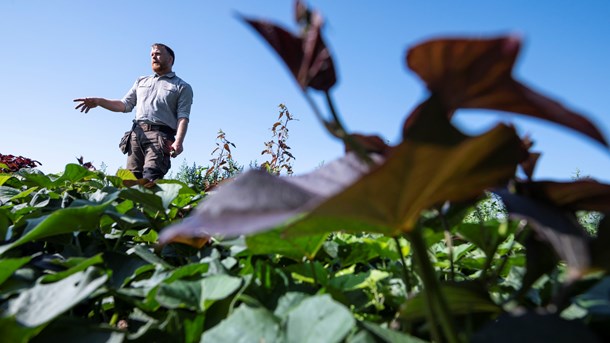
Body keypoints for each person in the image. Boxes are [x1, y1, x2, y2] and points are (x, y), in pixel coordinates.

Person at [74, 43, 193, 182]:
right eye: (152, 54)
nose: (154, 56)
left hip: (160, 137)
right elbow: (124, 105)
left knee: (150, 179)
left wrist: (178, 141)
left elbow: (183, 117)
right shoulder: (141, 81)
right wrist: (99, 101)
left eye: (158, 53)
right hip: (136, 135)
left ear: (170, 59)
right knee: (131, 181)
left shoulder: (182, 86)